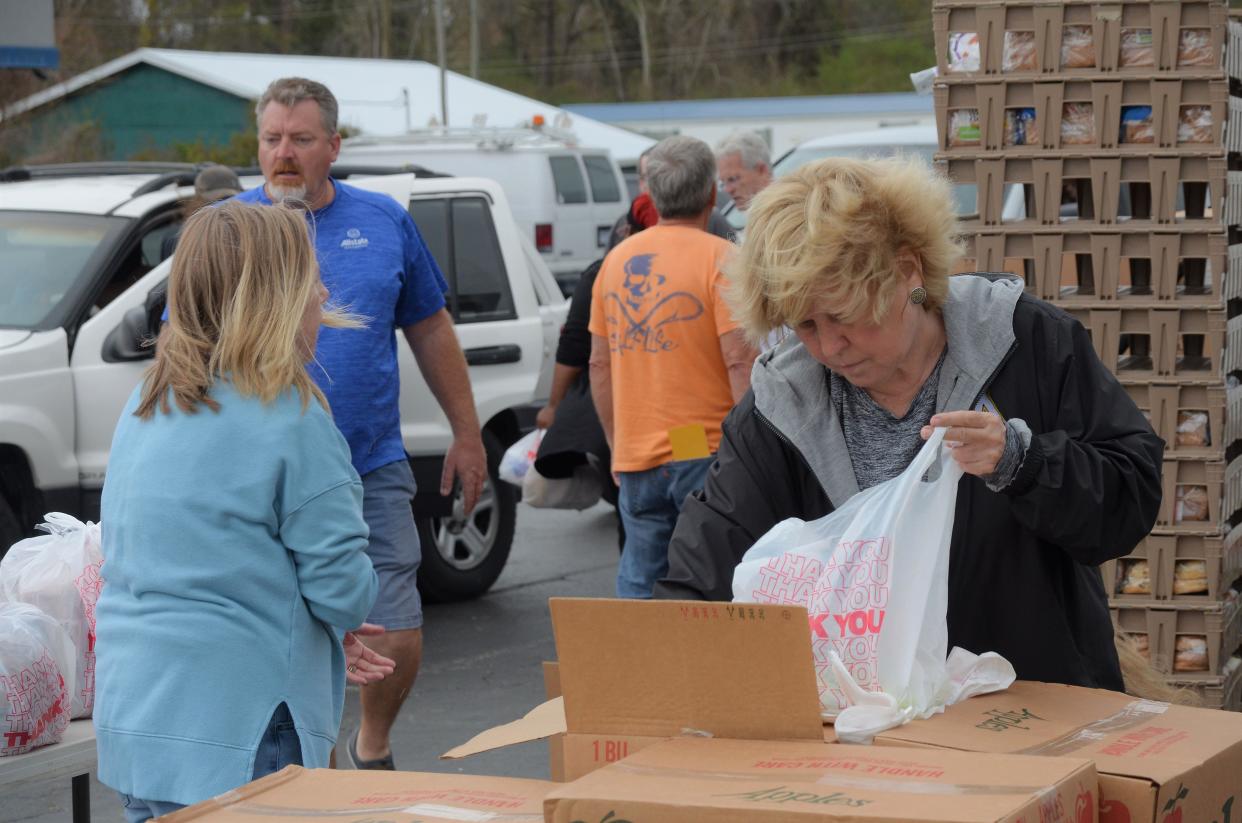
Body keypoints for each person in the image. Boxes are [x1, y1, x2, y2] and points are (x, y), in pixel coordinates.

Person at [657, 157, 1164, 692]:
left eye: (846, 316)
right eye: (804, 324)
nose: (829, 348)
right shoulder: (782, 402)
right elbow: (709, 561)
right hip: (867, 728)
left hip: (1032, 704)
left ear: (907, 271)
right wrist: (659, 653)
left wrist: (1026, 463)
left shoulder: (1028, 342)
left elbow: (1130, 497)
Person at [95, 202, 396, 822]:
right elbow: (343, 590)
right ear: (280, 301)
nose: (323, 296)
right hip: (242, 728)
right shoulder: (292, 418)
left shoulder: (146, 404)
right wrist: (335, 618)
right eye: (314, 281)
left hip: (137, 718)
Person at [245, 77, 487, 770]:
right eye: (271, 139)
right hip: (260, 473)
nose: (283, 153)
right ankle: (298, 766)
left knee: (397, 624)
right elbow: (182, 344)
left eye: (300, 139)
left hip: (366, 463)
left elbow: (430, 326)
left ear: (334, 146)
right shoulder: (231, 229)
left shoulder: (382, 221)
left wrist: (466, 433)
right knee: (278, 628)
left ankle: (371, 742)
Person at [590, 135, 758, 599]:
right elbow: (740, 362)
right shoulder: (722, 259)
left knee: (640, 577)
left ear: (652, 196)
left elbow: (598, 366)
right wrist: (751, 450)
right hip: (701, 448)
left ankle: (639, 670)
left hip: (637, 451)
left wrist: (614, 444)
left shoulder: (615, 263)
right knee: (711, 578)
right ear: (710, 195)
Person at [159, 164, 244, 261]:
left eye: (229, 199)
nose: (223, 206)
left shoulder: (178, 236)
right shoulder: (252, 232)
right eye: (216, 202)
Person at [715, 130, 773, 212]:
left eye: (733, 179)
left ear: (761, 170)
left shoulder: (786, 216)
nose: (727, 190)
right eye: (723, 183)